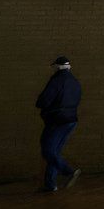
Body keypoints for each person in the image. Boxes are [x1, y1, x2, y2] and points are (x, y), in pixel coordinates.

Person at [34, 55, 82, 193]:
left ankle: (68, 172)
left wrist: (43, 105)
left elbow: (43, 101)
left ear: (57, 67)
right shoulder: (75, 82)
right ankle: (50, 184)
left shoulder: (57, 80)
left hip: (57, 120)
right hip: (71, 120)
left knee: (47, 150)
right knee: (55, 153)